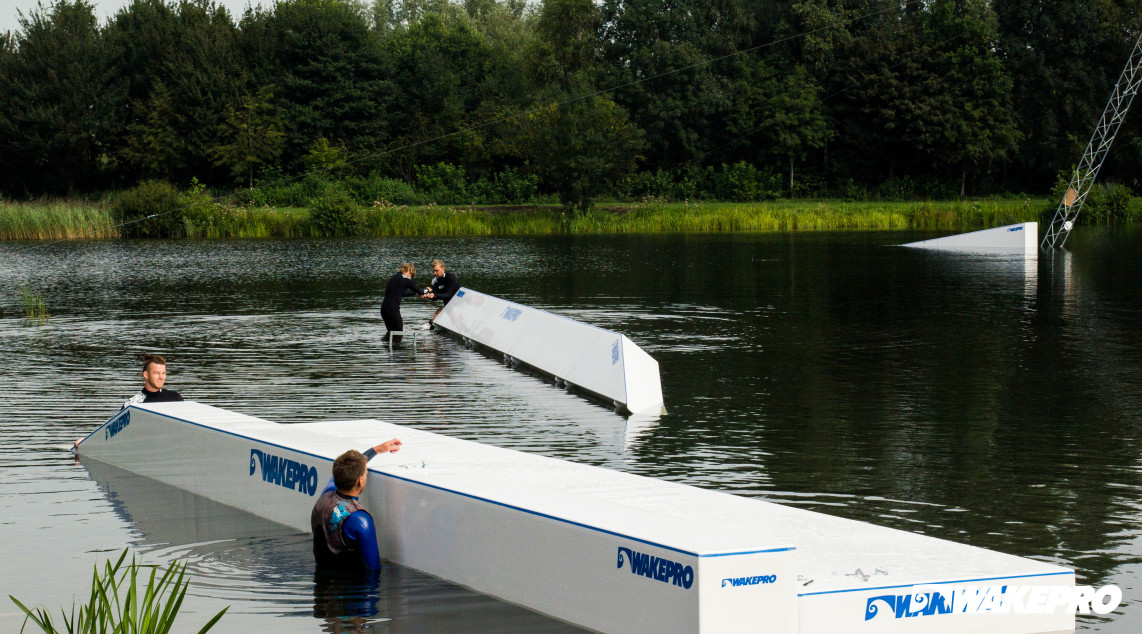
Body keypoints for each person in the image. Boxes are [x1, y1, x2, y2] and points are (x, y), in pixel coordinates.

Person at [312, 439, 403, 571]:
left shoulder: (325, 496)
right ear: (361, 481)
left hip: (321, 582)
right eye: (365, 474)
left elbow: (346, 467)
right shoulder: (360, 519)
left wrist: (376, 450)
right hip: (350, 588)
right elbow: (373, 567)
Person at [381, 262, 428, 340]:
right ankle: (397, 350)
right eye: (411, 275)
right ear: (409, 272)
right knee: (399, 332)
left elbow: (401, 294)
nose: (411, 278)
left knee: (391, 332)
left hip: (384, 309)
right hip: (393, 310)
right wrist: (427, 290)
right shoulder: (406, 279)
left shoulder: (393, 278)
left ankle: (388, 349)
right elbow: (421, 291)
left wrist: (414, 293)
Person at [425, 259, 460, 324]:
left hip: (458, 305)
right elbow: (435, 297)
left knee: (436, 315)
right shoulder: (434, 281)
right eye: (433, 271)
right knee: (435, 316)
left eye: (436, 271)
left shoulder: (451, 278)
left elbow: (448, 295)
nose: (434, 273)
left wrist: (434, 295)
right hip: (448, 306)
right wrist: (429, 295)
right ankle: (430, 328)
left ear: (443, 268)